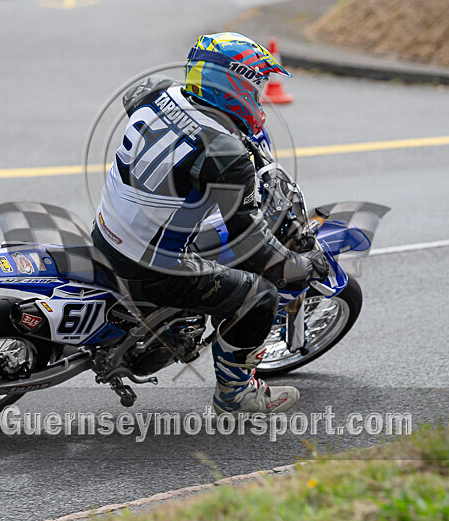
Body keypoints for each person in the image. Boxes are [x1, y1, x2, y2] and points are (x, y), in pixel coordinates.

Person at [92, 32, 330, 415]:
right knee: (260, 296)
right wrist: (300, 267)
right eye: (257, 86)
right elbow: (250, 243)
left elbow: (135, 102)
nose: (261, 96)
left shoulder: (158, 92)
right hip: (147, 267)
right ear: (235, 85)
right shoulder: (228, 155)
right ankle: (235, 395)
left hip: (107, 230)